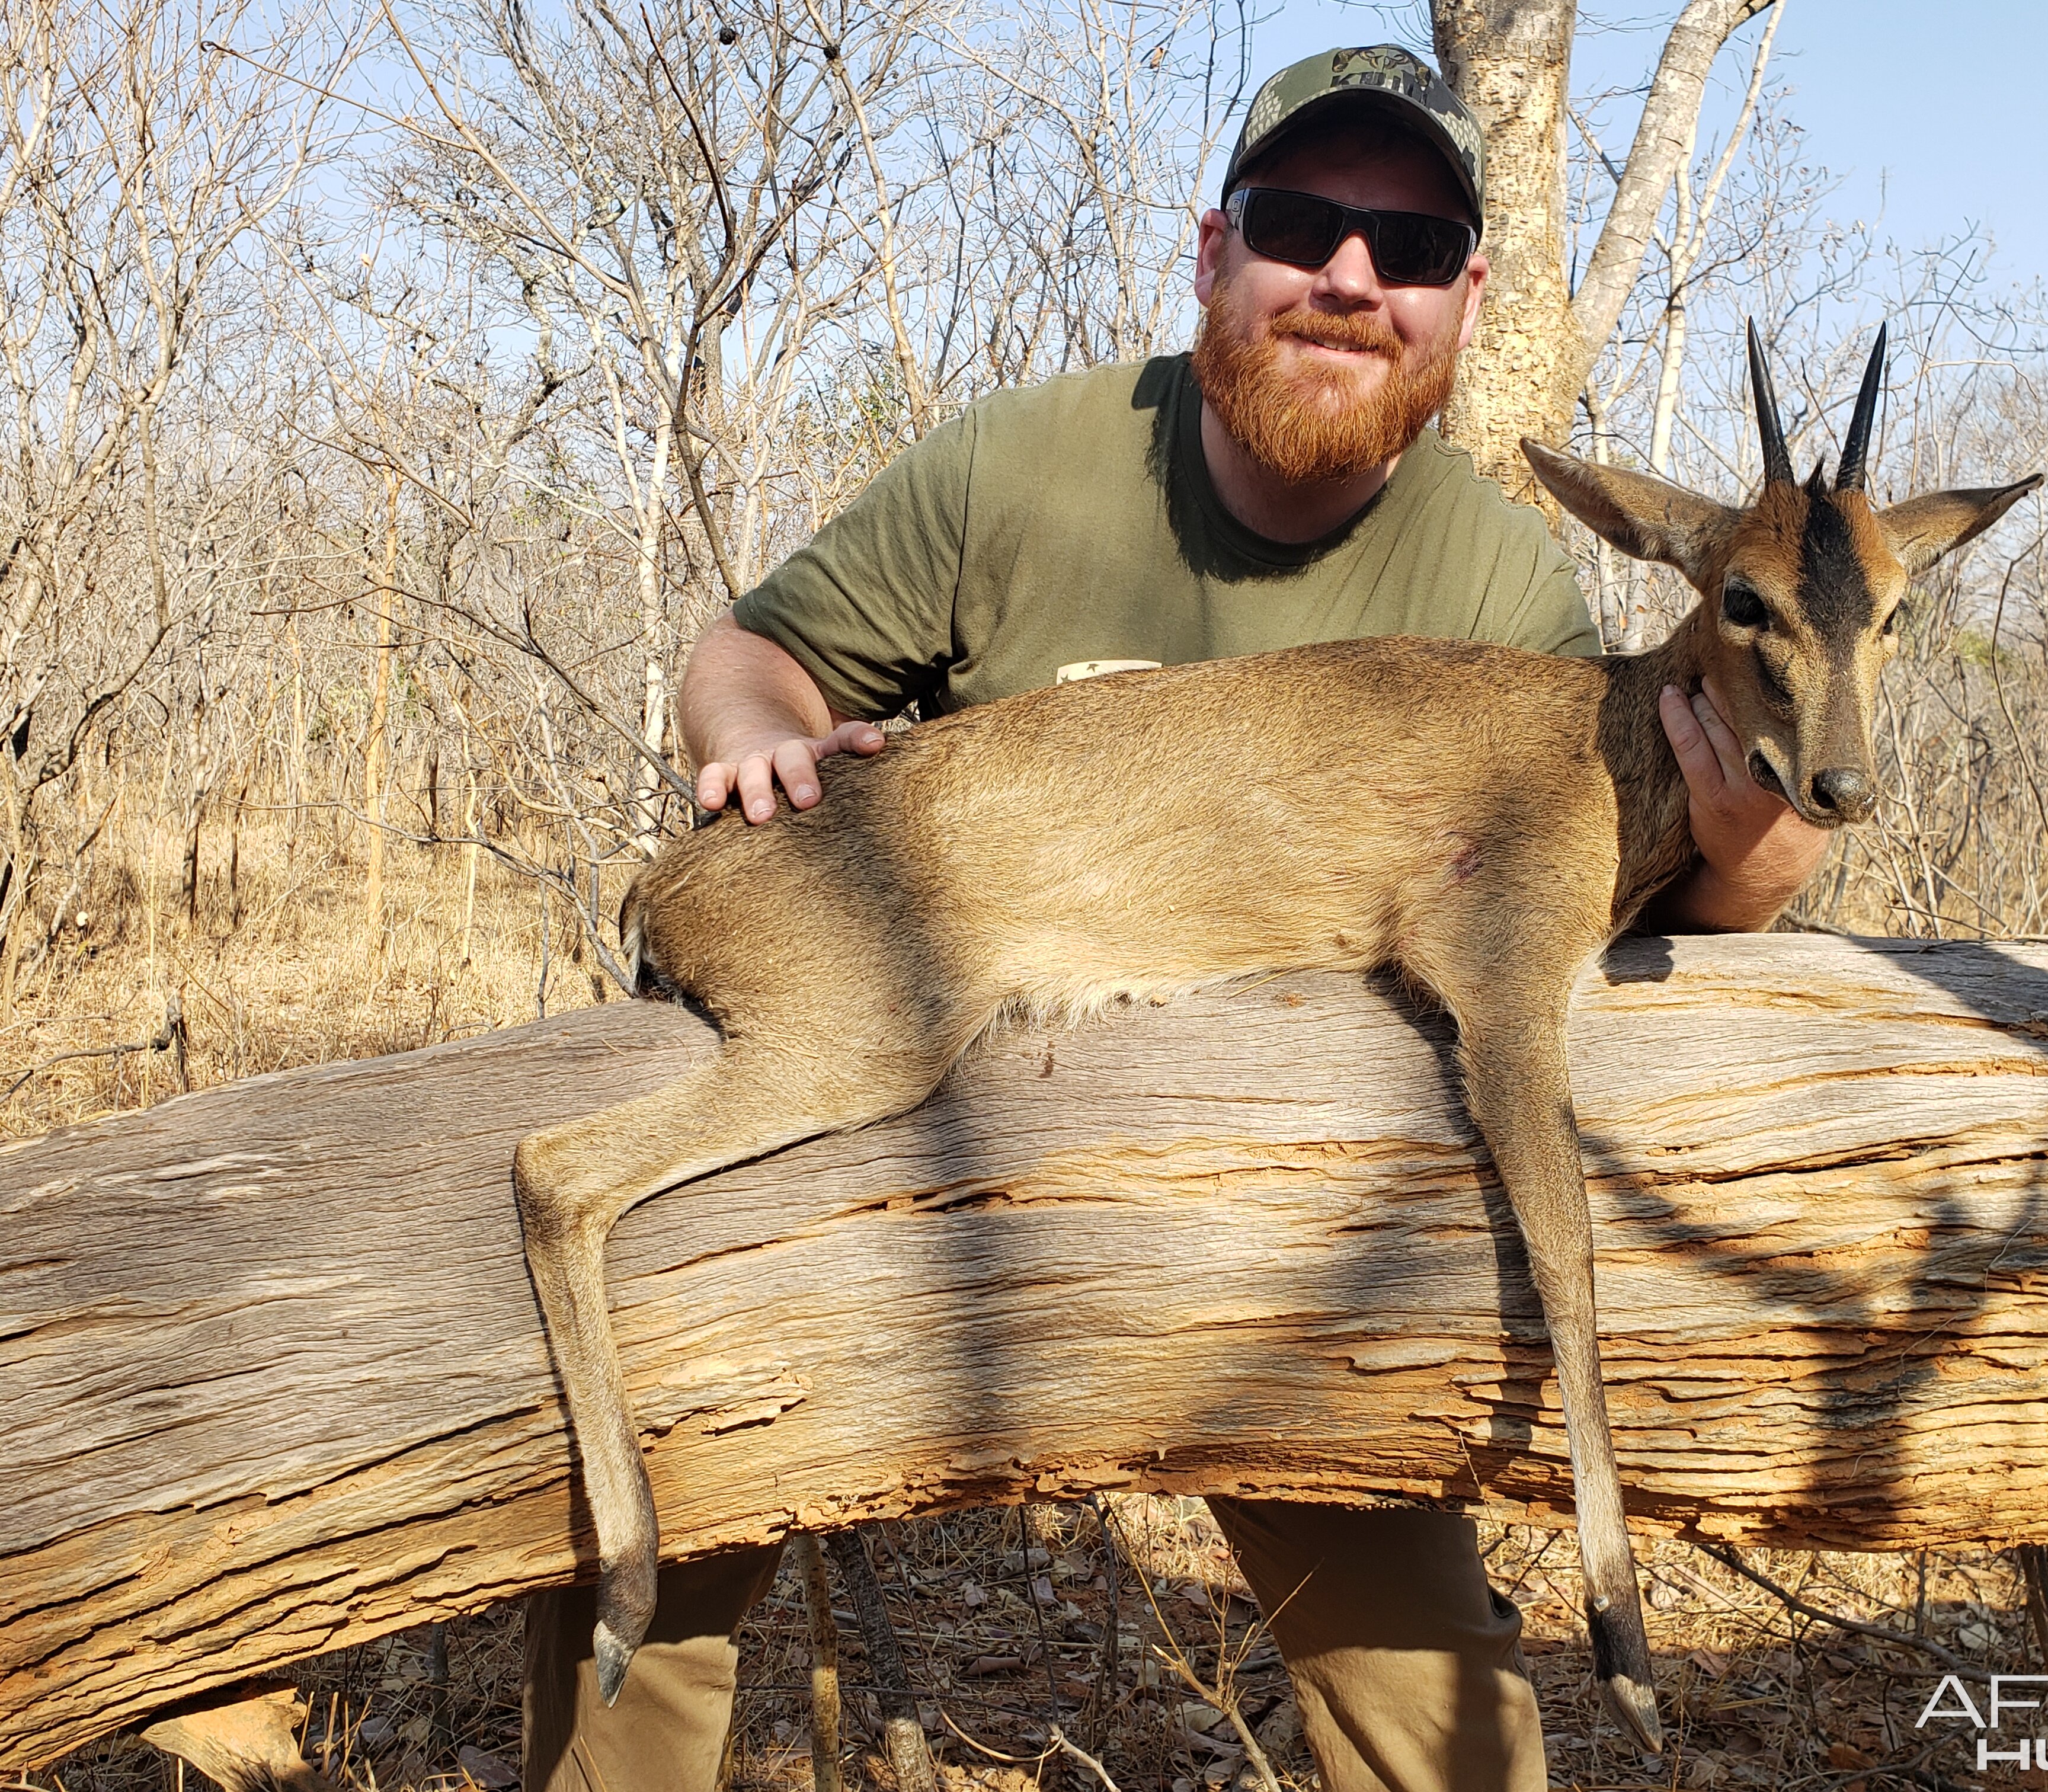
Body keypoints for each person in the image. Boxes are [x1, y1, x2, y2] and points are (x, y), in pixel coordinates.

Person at [521, 44, 1829, 1792]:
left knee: (1441, 1709)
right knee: (653, 1599)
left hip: (1258, 1219)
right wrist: (755, 739)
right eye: (1304, 224)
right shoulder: (1040, 465)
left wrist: (1753, 845)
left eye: (1414, 249)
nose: (1354, 278)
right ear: (1215, 246)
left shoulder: (1499, 591)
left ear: (1466, 302)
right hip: (922, 1097)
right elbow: (745, 656)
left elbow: (1648, 910)